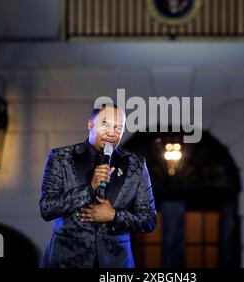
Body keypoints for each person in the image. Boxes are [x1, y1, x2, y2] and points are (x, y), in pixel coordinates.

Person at [39, 103, 157, 268]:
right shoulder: (61, 157)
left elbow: (149, 220)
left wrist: (114, 216)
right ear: (90, 124)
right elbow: (46, 208)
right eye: (105, 124)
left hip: (116, 264)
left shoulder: (135, 164)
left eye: (118, 127)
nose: (111, 132)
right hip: (65, 262)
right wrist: (89, 188)